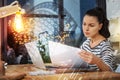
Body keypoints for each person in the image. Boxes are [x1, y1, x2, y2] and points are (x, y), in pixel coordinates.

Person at [78, 7, 116, 71]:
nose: (86, 28)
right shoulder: (86, 44)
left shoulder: (105, 46)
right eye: (84, 24)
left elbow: (109, 70)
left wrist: (97, 61)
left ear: (100, 26)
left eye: (91, 25)